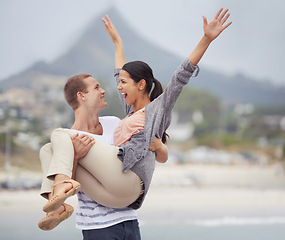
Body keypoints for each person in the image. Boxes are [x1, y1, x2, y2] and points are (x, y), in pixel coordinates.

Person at [39, 6, 232, 226]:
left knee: (60, 135)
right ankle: (58, 205)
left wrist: (206, 39)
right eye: (118, 82)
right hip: (115, 197)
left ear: (141, 85)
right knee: (48, 149)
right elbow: (119, 69)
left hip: (128, 182)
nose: (118, 87)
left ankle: (61, 186)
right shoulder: (130, 112)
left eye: (123, 83)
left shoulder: (158, 109)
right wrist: (117, 43)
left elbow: (181, 76)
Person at [38, 73, 168, 235]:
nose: (104, 91)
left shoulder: (115, 124)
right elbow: (75, 189)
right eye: (96, 87)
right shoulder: (68, 141)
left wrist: (158, 144)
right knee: (49, 148)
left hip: (127, 218)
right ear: (81, 96)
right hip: (97, 225)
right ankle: (58, 201)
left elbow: (148, 155)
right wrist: (76, 157)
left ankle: (56, 204)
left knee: (53, 141)